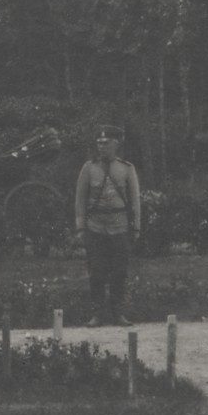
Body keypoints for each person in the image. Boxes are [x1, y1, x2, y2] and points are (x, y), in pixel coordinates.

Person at [74, 125, 142, 323]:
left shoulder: (126, 169)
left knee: (120, 272)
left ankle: (118, 313)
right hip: (95, 227)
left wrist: (136, 226)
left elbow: (135, 199)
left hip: (120, 226)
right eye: (99, 143)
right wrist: (81, 227)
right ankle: (97, 314)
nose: (101, 147)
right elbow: (80, 199)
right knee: (96, 271)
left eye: (105, 143)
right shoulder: (89, 168)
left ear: (115, 145)